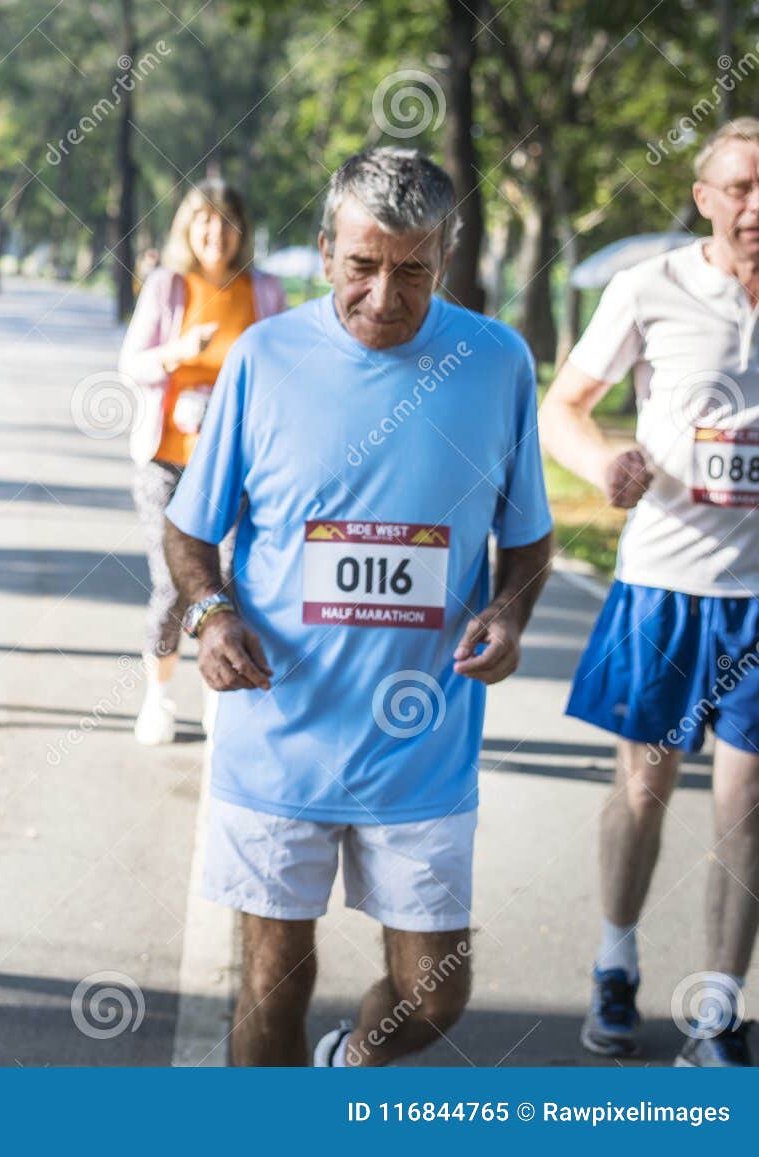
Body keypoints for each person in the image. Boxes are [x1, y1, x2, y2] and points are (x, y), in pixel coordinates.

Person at [165, 149, 553, 1066]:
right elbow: (190, 531)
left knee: (435, 991)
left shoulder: (497, 362)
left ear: (446, 258)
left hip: (423, 743)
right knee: (271, 984)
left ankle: (350, 1068)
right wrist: (213, 615)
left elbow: (530, 536)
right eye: (363, 267)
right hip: (279, 732)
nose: (385, 296)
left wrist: (510, 613)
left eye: (412, 270)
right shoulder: (264, 358)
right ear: (325, 250)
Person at [541, 117, 759, 1067]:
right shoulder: (651, 287)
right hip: (666, 579)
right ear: (705, 198)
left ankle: (716, 1012)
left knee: (746, 807)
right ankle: (615, 959)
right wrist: (603, 465)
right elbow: (564, 407)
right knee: (645, 787)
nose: (758, 205)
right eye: (741, 188)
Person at [117, 181, 286, 745]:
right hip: (167, 459)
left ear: (243, 231)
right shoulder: (169, 285)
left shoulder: (263, 290)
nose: (217, 234)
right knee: (173, 583)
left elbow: (281, 368)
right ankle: (158, 699)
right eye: (205, 223)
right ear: (188, 230)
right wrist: (179, 354)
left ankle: (222, 697)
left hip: (239, 463)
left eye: (229, 222)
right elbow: (131, 364)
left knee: (234, 580)